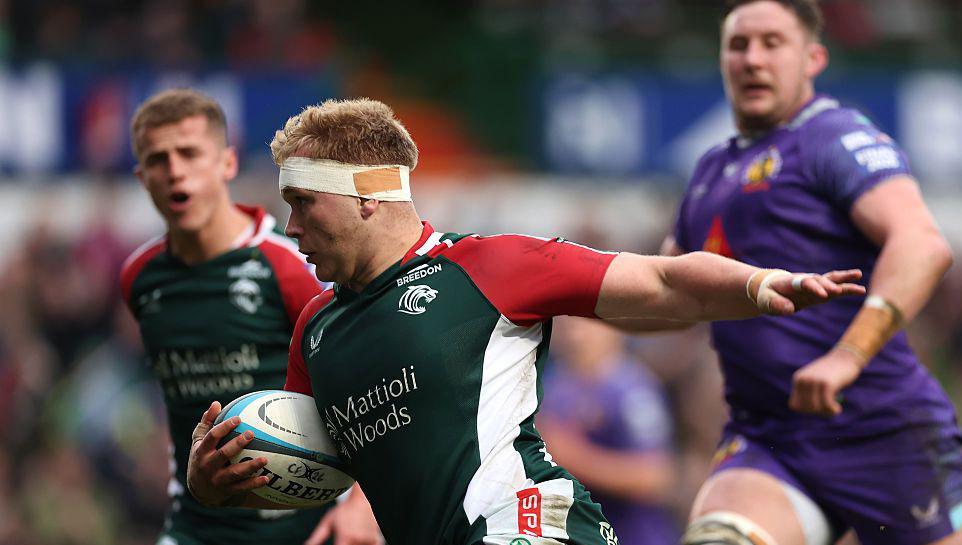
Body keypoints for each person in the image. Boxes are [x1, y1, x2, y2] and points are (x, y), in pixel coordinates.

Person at [183, 97, 863, 545]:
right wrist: (219, 484)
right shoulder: (316, 330)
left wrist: (759, 281)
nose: (290, 224)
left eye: (304, 202)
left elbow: (659, 278)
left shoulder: (488, 267)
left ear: (367, 196)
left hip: (530, 524)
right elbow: (315, 471)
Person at [650, 2, 962, 545]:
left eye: (772, 43)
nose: (753, 59)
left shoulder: (831, 137)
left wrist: (848, 356)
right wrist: (565, 299)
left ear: (813, 57)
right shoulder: (709, 171)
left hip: (882, 430)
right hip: (769, 439)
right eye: (739, 45)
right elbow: (664, 293)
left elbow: (923, 245)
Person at [120, 89, 380, 545]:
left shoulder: (287, 265)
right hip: (200, 521)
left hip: (310, 519)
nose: (175, 170)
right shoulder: (139, 279)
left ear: (227, 163)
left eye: (189, 153)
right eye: (159, 159)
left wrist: (362, 503)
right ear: (143, 177)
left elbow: (369, 380)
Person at [538, 316, 679, 545]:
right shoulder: (552, 386)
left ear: (613, 330)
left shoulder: (632, 389)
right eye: (567, 324)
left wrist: (577, 458)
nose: (575, 334)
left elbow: (656, 477)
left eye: (584, 324)